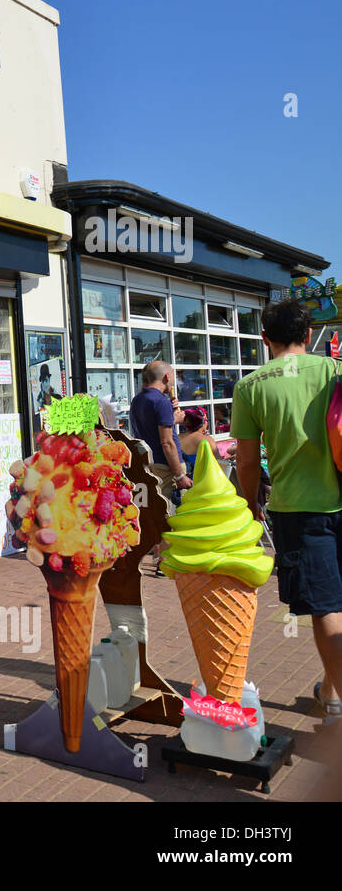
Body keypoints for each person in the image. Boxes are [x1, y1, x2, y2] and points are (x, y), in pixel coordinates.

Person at [231, 299, 342, 724]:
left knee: (326, 606)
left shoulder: (251, 386)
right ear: (309, 334)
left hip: (298, 510)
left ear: (264, 338)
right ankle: (330, 691)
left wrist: (250, 504)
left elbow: (244, 461)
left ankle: (337, 700)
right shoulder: (333, 372)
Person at [128, 360, 193, 502]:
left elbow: (150, 424)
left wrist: (171, 416)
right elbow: (167, 442)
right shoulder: (161, 402)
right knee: (168, 509)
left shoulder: (137, 399)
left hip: (147, 461)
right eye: (173, 377)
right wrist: (180, 475)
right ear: (167, 377)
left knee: (154, 506)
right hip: (166, 466)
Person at [178, 407, 220, 482]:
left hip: (182, 481)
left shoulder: (177, 438)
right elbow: (219, 464)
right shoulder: (207, 440)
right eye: (206, 420)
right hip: (202, 484)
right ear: (203, 422)